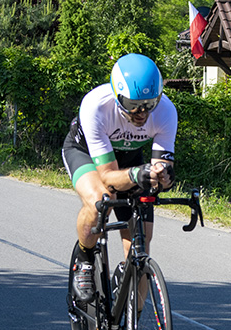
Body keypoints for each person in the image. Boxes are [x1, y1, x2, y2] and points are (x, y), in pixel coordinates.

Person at [62, 53, 176, 308]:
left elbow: (161, 166)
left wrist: (163, 177)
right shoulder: (96, 106)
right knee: (101, 199)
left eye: (149, 103)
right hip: (86, 154)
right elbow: (107, 178)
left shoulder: (167, 111)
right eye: (133, 104)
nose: (141, 112)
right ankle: (84, 257)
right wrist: (138, 174)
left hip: (130, 159)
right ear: (116, 95)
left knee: (140, 245)